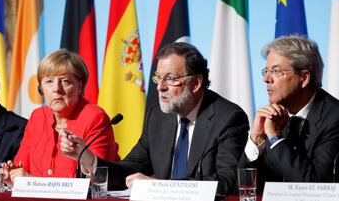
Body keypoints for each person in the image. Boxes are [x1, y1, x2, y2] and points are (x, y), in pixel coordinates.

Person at [59, 42, 249, 195]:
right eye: (158, 78)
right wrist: (89, 159)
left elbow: (227, 182)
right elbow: (131, 169)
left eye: (170, 79)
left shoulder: (228, 118)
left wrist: (159, 186)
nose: (160, 87)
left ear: (196, 82)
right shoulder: (158, 117)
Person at [3, 50, 120, 184]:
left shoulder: (95, 118)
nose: (56, 89)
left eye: (65, 81)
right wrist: (12, 176)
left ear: (80, 87)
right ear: (41, 88)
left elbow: (99, 180)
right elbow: (22, 168)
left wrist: (32, 181)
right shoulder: (37, 117)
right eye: (49, 81)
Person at [240, 35, 339, 191]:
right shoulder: (275, 116)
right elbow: (245, 189)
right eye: (266, 71)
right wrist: (257, 140)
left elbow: (316, 186)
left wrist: (274, 138)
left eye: (276, 71)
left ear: (304, 78)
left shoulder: (334, 118)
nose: (266, 78)